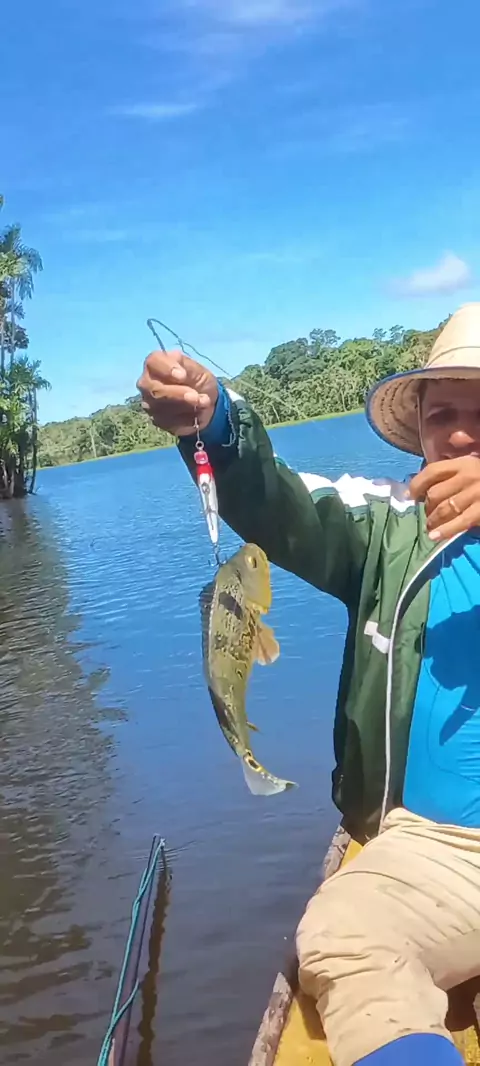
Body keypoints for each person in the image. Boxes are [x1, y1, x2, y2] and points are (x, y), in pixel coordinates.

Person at [137, 303, 480, 1066]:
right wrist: (214, 423)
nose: (460, 436)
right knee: (341, 940)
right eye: (443, 414)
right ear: (420, 431)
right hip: (438, 850)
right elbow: (279, 502)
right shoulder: (387, 525)